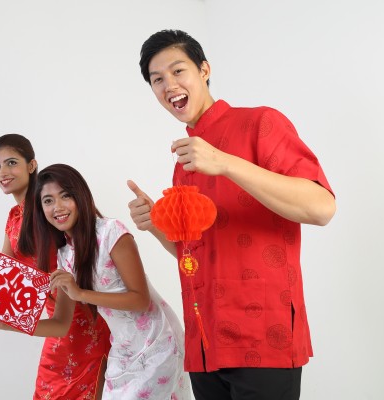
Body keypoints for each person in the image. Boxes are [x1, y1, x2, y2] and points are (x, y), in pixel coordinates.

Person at [127, 29, 336, 400]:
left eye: (178, 71)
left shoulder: (260, 123)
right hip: (205, 343)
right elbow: (193, 256)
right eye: (157, 79)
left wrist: (225, 163)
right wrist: (157, 224)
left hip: (263, 337)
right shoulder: (185, 161)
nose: (169, 85)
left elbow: (321, 207)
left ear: (204, 70)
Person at [0, 163, 191, 400]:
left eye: (65, 196)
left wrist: (81, 294)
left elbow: (140, 300)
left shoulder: (111, 232)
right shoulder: (65, 255)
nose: (57, 207)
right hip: (122, 352)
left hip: (157, 345)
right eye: (48, 201)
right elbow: (60, 325)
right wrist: (4, 324)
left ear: (80, 196)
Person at [0, 134, 111, 400]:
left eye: (11, 162)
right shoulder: (15, 216)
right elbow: (4, 277)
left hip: (82, 325)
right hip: (55, 330)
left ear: (32, 165)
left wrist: (4, 323)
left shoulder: (51, 213)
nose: (2, 172)